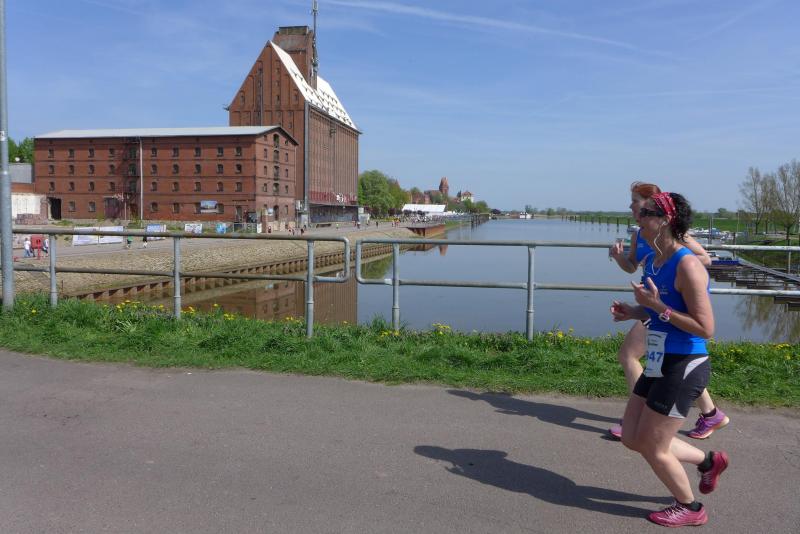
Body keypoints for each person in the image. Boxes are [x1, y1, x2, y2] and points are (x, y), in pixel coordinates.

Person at [611, 192, 729, 527]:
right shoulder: (654, 261)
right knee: (631, 436)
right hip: (659, 357)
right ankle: (708, 463)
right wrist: (634, 311)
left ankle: (690, 507)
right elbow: (657, 313)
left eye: (646, 212)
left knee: (654, 446)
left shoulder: (687, 264)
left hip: (684, 363)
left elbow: (705, 328)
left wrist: (658, 307)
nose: (638, 217)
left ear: (665, 220)